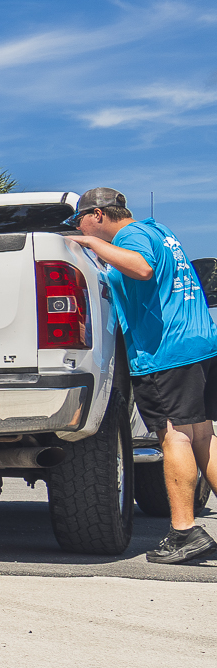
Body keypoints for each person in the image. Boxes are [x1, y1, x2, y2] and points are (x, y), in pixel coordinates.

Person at [64, 187, 217, 564]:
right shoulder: (157, 230)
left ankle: (184, 533)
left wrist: (92, 244)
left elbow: (143, 268)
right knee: (202, 435)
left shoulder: (129, 237)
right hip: (199, 344)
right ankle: (187, 530)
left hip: (166, 352)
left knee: (174, 435)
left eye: (80, 221)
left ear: (97, 215)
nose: (78, 228)